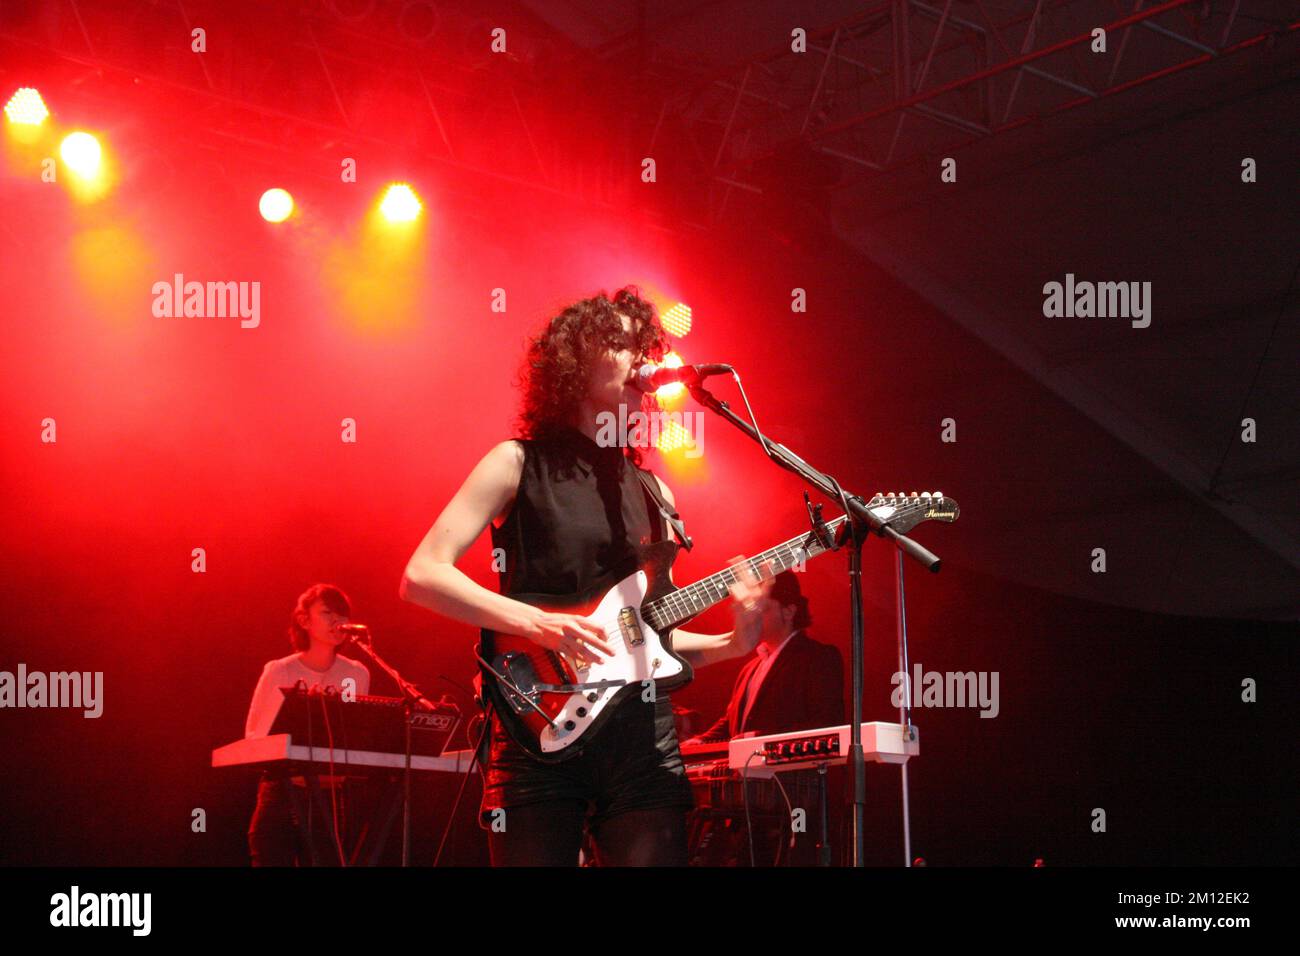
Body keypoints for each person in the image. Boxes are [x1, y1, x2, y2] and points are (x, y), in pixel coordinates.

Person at [400, 286, 772, 866]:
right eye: (620, 343)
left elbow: (647, 639)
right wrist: (539, 624)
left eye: (643, 345)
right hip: (538, 727)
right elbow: (422, 574)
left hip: (641, 744)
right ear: (573, 362)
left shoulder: (657, 494)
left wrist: (733, 643)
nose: (639, 358)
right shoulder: (516, 463)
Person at [683, 570, 844, 865]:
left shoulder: (817, 657)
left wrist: (761, 741)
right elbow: (731, 722)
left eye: (762, 609)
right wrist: (697, 743)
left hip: (793, 801)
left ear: (789, 611)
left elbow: (828, 724)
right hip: (750, 804)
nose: (753, 618)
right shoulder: (750, 667)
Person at [245, 583, 372, 866]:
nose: (337, 621)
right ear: (304, 620)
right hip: (282, 791)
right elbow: (255, 735)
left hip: (330, 796)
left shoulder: (355, 672)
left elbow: (354, 738)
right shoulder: (281, 670)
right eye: (327, 613)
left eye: (342, 614)